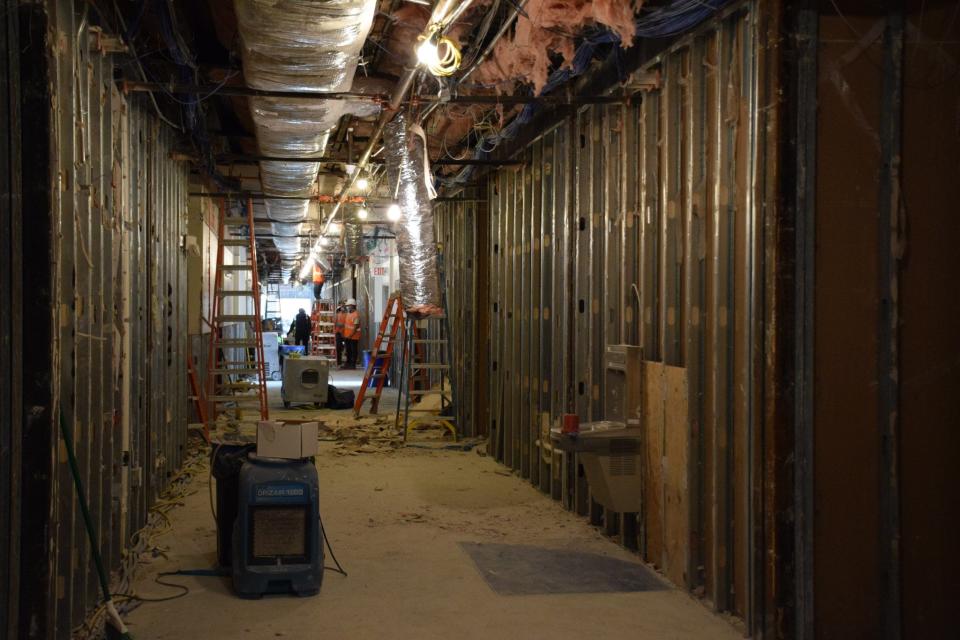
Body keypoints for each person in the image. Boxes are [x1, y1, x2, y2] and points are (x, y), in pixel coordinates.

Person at [342, 298, 361, 369]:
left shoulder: (356, 315)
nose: (347, 307)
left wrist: (350, 335)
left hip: (353, 337)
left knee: (353, 351)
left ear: (352, 306)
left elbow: (355, 327)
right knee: (348, 350)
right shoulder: (348, 314)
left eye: (348, 306)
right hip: (348, 336)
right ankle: (348, 363)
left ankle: (353, 364)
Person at [334, 302, 346, 367]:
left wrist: (343, 325)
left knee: (346, 348)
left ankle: (345, 362)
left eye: (343, 306)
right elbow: (335, 323)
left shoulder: (347, 314)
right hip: (338, 333)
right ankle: (339, 361)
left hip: (346, 333)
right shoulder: (337, 315)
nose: (342, 308)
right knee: (338, 347)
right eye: (341, 307)